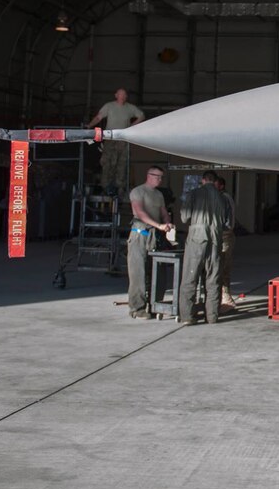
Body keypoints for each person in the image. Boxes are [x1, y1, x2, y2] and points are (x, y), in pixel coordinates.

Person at [177, 171, 232, 325]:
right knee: (213, 279)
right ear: (215, 182)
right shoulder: (223, 198)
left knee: (190, 277)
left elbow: (184, 217)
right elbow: (228, 223)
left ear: (202, 180)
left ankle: (187, 316)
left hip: (196, 239)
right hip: (216, 240)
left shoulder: (194, 194)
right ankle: (212, 316)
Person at [126, 166, 173, 320]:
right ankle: (137, 308)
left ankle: (154, 304)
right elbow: (140, 213)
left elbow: (164, 212)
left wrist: (167, 223)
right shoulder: (138, 192)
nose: (160, 180)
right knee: (137, 272)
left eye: (161, 177)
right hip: (139, 235)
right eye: (157, 176)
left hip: (154, 237)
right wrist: (158, 225)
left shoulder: (159, 194)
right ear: (149, 175)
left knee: (157, 271)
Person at [88, 88, 145, 195]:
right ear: (116, 95)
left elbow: (141, 115)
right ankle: (105, 186)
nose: (123, 97)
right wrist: (89, 126)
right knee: (107, 162)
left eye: (124, 95)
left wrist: (132, 126)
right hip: (110, 138)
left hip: (123, 139)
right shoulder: (109, 106)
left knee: (122, 163)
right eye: (120, 94)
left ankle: (120, 187)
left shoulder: (130, 108)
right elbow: (99, 117)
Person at [215, 176, 237, 313]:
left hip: (224, 236)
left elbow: (227, 222)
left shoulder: (223, 198)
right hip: (224, 235)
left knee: (223, 268)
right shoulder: (223, 197)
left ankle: (226, 299)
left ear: (221, 186)